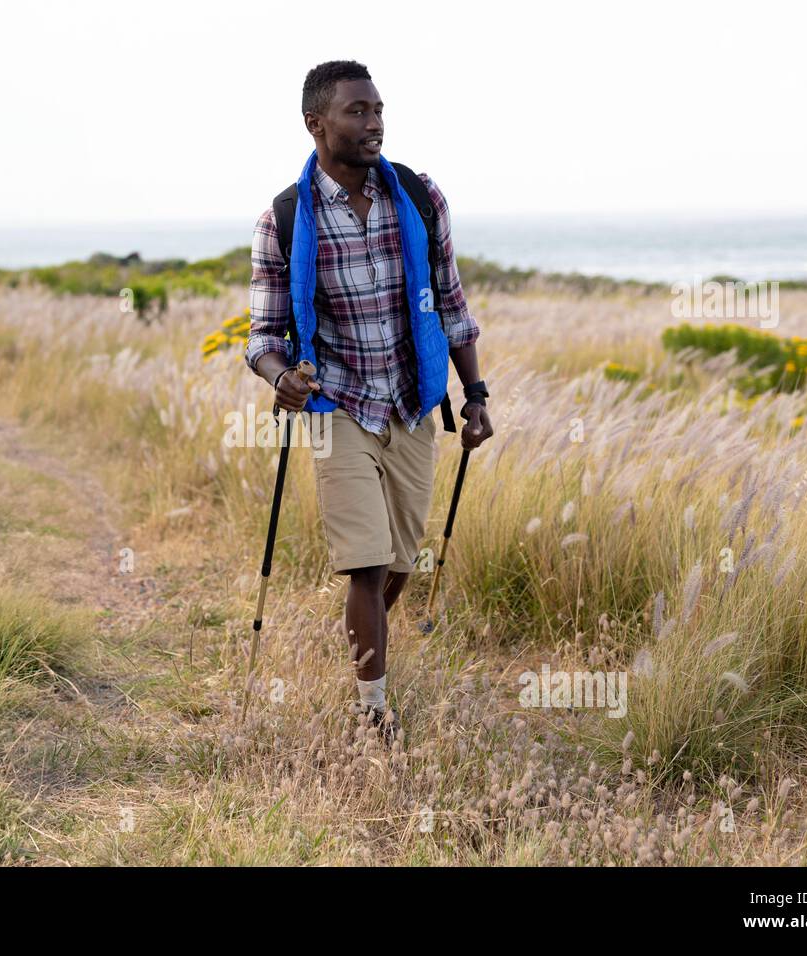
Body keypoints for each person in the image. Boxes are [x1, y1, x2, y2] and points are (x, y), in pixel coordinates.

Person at [246, 59, 494, 744]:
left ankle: (364, 640)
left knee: (398, 564)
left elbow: (451, 306)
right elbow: (262, 338)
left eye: (378, 108)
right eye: (357, 111)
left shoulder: (418, 196)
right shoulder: (286, 219)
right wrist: (281, 378)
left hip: (414, 403)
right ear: (316, 124)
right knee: (366, 560)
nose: (374, 121)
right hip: (337, 407)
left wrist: (474, 396)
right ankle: (373, 712)